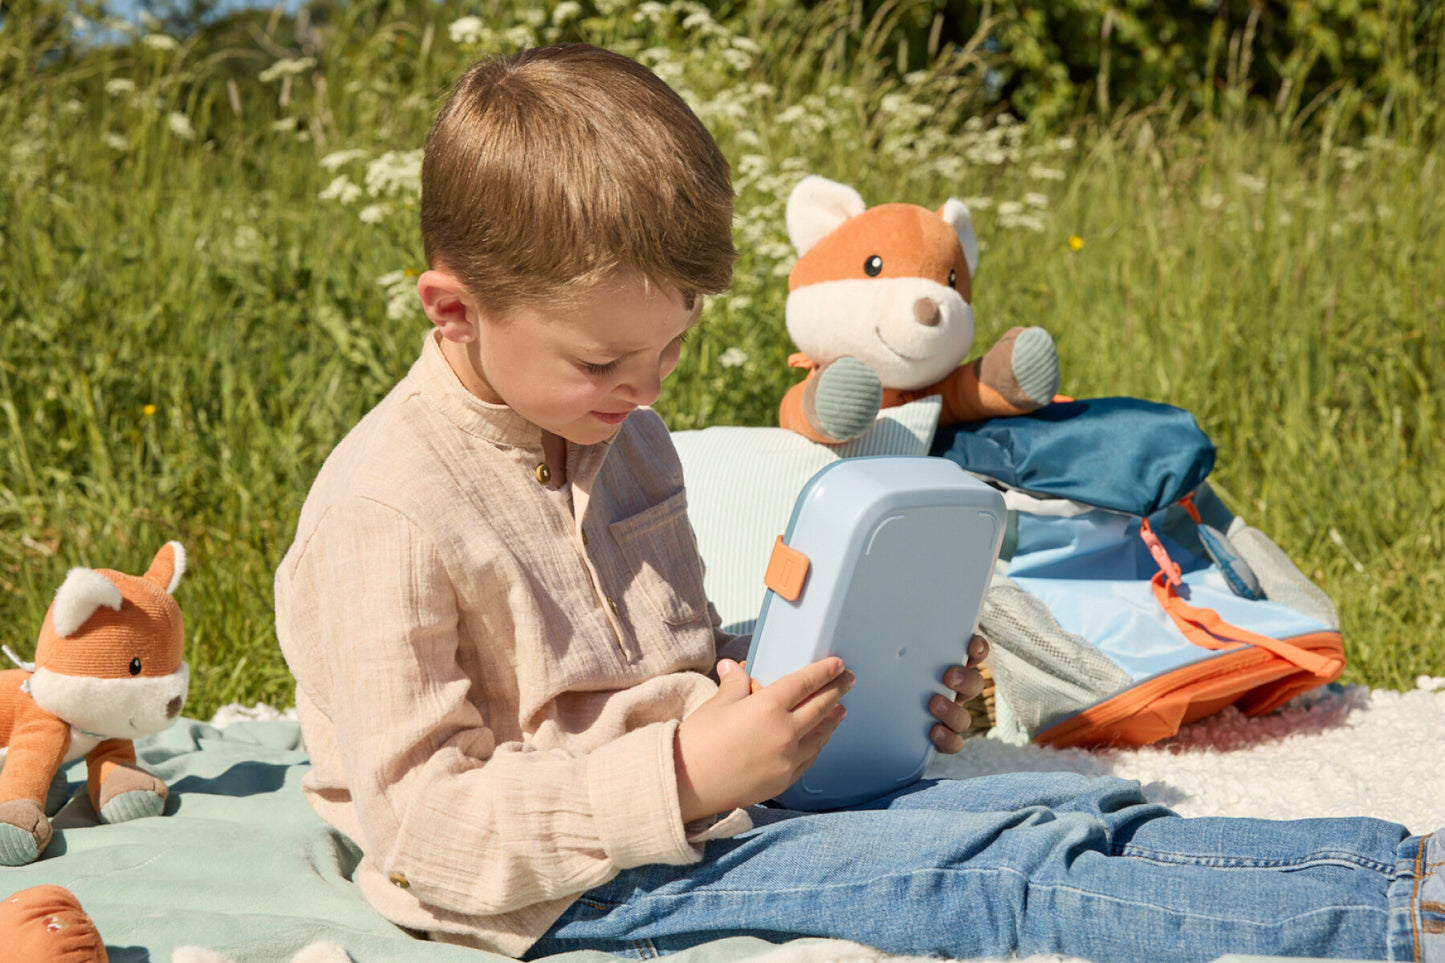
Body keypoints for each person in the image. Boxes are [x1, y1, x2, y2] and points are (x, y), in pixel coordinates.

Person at [274, 43, 1444, 963]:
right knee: (995, 874)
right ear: (452, 309)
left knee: (1061, 817)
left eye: (673, 350)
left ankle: (1408, 871)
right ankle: (1396, 931)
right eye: (602, 364)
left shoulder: (622, 438)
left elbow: (664, 663)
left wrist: (840, 679)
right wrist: (685, 776)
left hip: (715, 800)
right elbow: (427, 834)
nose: (644, 392)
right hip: (565, 885)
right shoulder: (385, 512)